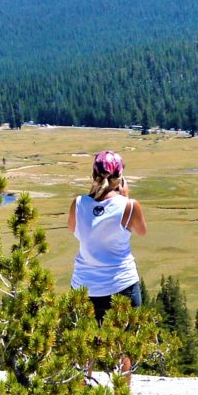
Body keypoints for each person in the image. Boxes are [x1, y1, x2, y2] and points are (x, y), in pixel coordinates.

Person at [69, 150, 147, 369]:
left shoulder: (77, 204)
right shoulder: (129, 206)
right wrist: (126, 198)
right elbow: (141, 231)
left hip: (84, 287)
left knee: (84, 348)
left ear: (93, 175)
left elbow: (72, 228)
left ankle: (82, 394)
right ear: (120, 177)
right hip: (121, 285)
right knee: (123, 347)